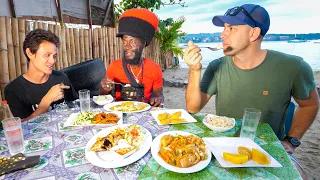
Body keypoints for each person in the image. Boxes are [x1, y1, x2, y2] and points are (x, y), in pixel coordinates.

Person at [184, 4, 319, 179]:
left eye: (231, 28)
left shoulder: (294, 67)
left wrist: (291, 140)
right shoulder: (217, 66)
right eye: (224, 28)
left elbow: (310, 104)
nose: (222, 34)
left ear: (253, 33)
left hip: (268, 152)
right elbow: (193, 107)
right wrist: (195, 70)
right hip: (224, 149)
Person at [4, 29, 78, 121]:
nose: (52, 61)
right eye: (47, 55)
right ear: (30, 53)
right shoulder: (14, 89)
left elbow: (77, 107)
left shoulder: (61, 77)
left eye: (54, 56)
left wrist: (100, 91)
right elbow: (22, 126)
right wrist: (46, 102)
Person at [100, 8, 164, 107]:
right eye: (125, 41)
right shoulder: (114, 66)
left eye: (132, 41)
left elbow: (159, 96)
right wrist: (104, 89)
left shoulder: (154, 69)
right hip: (118, 114)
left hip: (143, 115)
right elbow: (102, 97)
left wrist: (158, 99)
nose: (127, 46)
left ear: (144, 42)